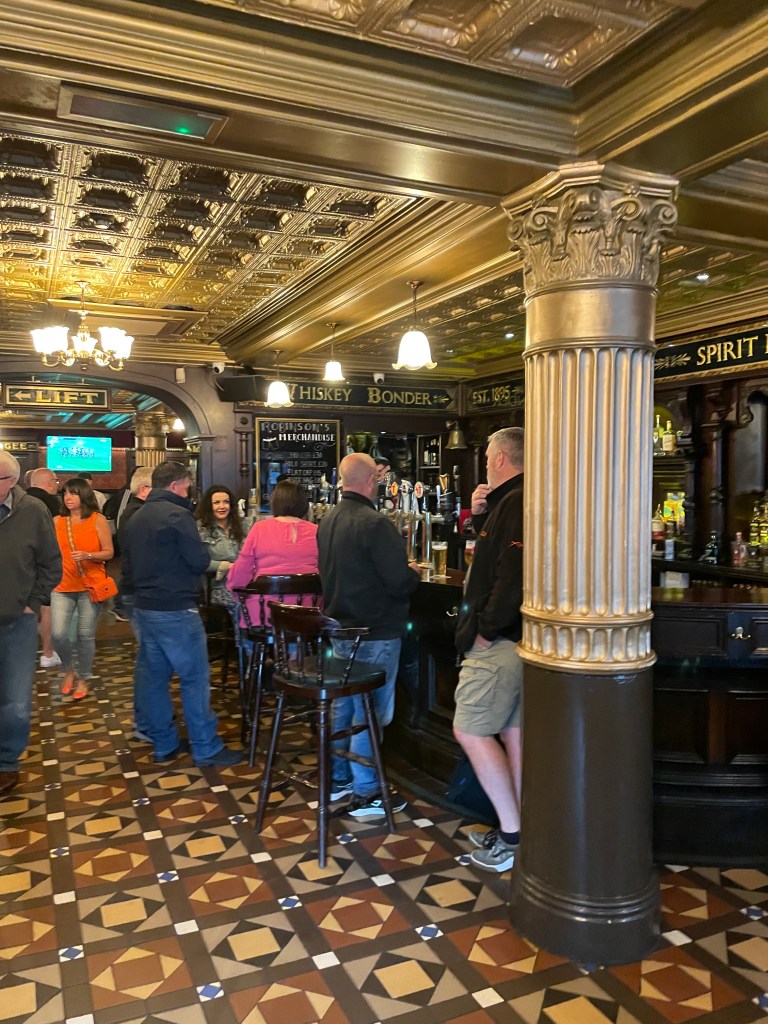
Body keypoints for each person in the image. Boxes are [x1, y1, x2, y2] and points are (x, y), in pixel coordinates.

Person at [317, 452, 420, 817]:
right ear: (372, 481)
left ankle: (339, 779)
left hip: (339, 630)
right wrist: (413, 572)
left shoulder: (328, 520)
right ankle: (366, 791)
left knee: (344, 706)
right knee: (369, 711)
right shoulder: (375, 524)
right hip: (375, 632)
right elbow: (398, 583)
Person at [122, 460, 241, 767]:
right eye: (188, 485)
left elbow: (129, 567)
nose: (190, 491)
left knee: (155, 679)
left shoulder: (134, 516)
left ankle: (164, 744)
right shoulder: (178, 515)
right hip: (177, 607)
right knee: (195, 678)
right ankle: (205, 746)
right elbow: (199, 560)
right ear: (176, 485)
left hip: (145, 607)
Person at [453, 426, 525, 873]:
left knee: (472, 730)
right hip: (522, 641)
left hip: (499, 642)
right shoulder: (513, 501)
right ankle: (520, 829)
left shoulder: (516, 501)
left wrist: (484, 630)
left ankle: (513, 836)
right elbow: (498, 557)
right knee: (515, 735)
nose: (485, 467)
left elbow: (511, 575)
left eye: (486, 461)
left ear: (499, 459)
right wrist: (480, 516)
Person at [0, 451, 62, 798]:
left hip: (16, 623)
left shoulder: (32, 512)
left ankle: (6, 763)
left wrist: (32, 601)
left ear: (10, 482)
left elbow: (52, 564)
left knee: (14, 699)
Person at [51, 477, 115, 701]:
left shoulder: (97, 520)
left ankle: (84, 678)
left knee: (85, 634)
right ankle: (68, 670)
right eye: (65, 493)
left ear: (84, 495)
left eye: (73, 493)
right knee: (58, 634)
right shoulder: (57, 521)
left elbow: (109, 552)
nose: (68, 498)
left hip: (90, 584)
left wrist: (89, 555)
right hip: (61, 585)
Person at [228, 479, 319, 626]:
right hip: (308, 615)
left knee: (241, 609)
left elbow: (239, 575)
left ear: (275, 501)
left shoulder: (259, 528)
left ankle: (249, 649)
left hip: (265, 615)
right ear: (304, 503)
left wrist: (235, 590)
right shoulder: (317, 531)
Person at [25, 468, 63, 668]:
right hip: (42, 564)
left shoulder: (17, 500)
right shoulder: (50, 504)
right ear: (49, 483)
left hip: (18, 566)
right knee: (46, 607)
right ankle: (47, 652)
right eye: (56, 482)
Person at [196, 485, 245, 623]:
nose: (222, 506)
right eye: (216, 503)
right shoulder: (200, 529)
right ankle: (243, 643)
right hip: (218, 585)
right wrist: (225, 566)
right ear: (208, 506)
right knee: (241, 605)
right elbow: (197, 562)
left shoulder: (243, 525)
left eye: (226, 502)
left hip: (245, 582)